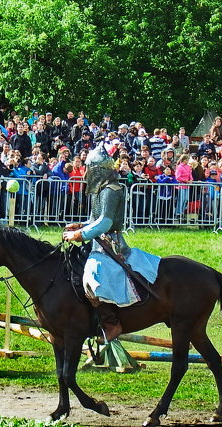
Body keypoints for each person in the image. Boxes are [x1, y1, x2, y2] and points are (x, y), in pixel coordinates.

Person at [63, 145, 160, 341]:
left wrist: (80, 235)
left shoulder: (112, 189)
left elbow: (106, 222)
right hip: (98, 242)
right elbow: (95, 219)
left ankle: (111, 322)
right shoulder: (99, 190)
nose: (87, 173)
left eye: (90, 169)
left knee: (91, 279)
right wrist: (81, 225)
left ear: (99, 170)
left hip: (111, 244)